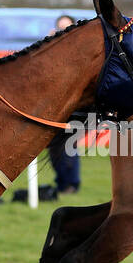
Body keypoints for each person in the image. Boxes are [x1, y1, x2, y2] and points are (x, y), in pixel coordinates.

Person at [47, 14, 81, 195]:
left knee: (68, 147)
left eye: (66, 28)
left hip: (74, 107)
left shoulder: (78, 50)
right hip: (57, 107)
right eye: (60, 28)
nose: (63, 32)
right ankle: (62, 184)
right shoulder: (52, 46)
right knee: (54, 147)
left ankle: (71, 185)